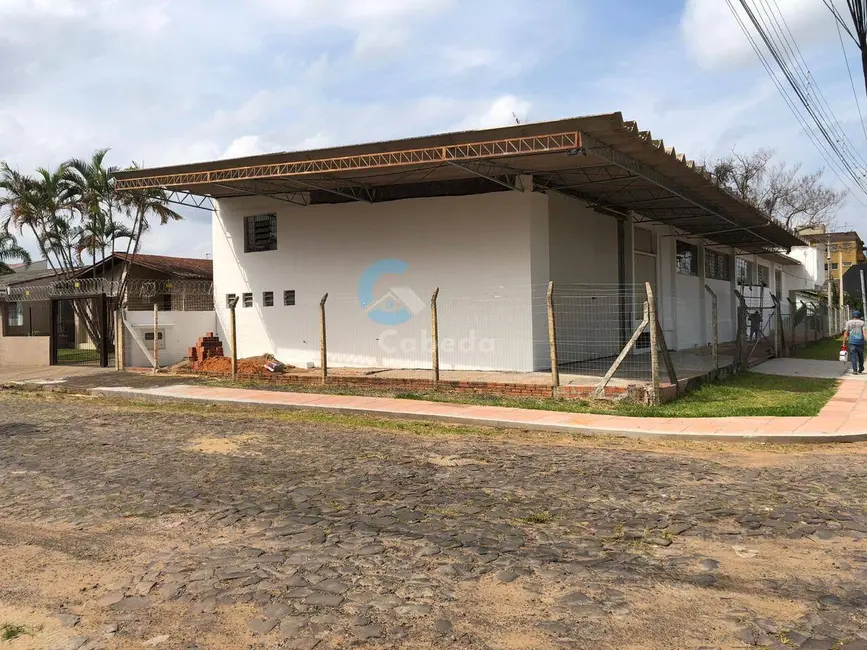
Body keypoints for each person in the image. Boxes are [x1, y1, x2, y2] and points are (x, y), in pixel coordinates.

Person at [843, 309, 866, 374]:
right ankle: (861, 367)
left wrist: (844, 342)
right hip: (860, 342)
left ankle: (855, 370)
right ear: (859, 316)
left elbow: (846, 333)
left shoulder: (848, 322)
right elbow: (864, 333)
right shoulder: (862, 323)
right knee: (860, 355)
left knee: (853, 356)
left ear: (853, 315)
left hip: (852, 342)